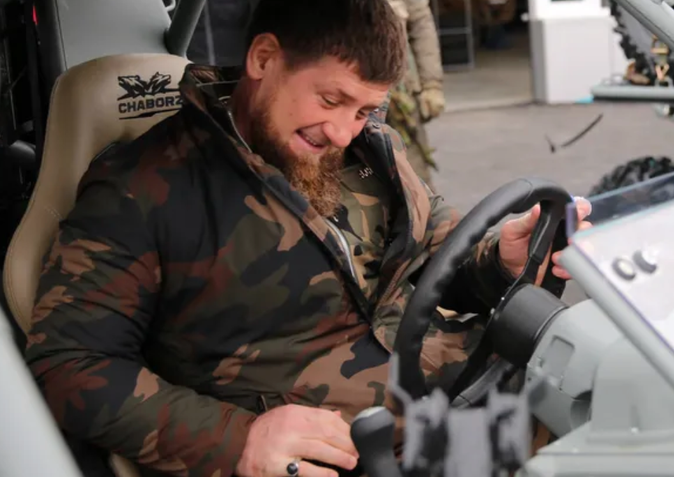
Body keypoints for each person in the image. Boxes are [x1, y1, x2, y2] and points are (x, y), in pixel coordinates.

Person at [24, 1, 591, 477]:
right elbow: (73, 362)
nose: (345, 132)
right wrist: (239, 440)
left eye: (366, 108)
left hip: (471, 402)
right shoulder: (143, 188)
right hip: (350, 455)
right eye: (331, 100)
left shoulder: (374, 152)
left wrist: (498, 260)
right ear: (264, 59)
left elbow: (438, 249)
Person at [386, 0, 445, 190]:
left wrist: (432, 85)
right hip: (338, 98)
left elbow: (421, 23)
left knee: (415, 178)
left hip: (398, 99)